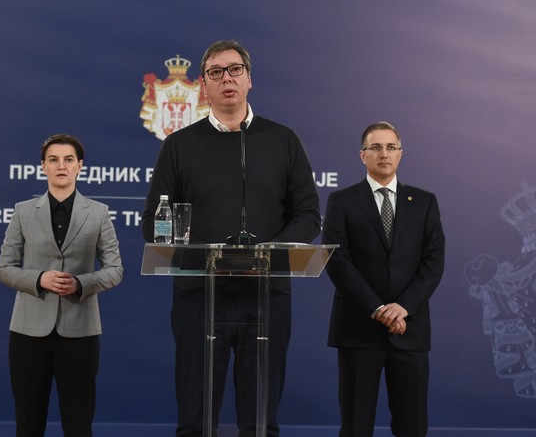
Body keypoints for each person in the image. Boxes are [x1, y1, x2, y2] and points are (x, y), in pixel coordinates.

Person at [142, 40, 321, 436]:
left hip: (266, 296)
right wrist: (189, 247)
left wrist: (270, 251)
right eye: (216, 72)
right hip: (200, 298)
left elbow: (308, 215)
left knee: (260, 421)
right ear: (203, 85)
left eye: (235, 69)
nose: (227, 78)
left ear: (249, 79)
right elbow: (154, 223)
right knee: (195, 418)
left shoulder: (283, 140)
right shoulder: (179, 146)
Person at [323, 121, 446, 437]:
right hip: (358, 329)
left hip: (410, 329)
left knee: (412, 426)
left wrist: (402, 307)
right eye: (376, 147)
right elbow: (338, 262)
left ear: (401, 154)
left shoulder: (424, 202)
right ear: (362, 155)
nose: (384, 153)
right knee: (355, 426)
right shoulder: (342, 201)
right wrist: (377, 309)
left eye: (391, 147)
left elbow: (433, 264)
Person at [0, 134, 124, 437]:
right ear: (43, 167)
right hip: (28, 332)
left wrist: (81, 283)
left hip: (80, 332)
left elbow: (115, 270)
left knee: (78, 424)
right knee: (28, 424)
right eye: (53, 160)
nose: (61, 166)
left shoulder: (98, 212)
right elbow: (4, 268)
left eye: (68, 160)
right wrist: (38, 279)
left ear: (80, 166)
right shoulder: (23, 211)